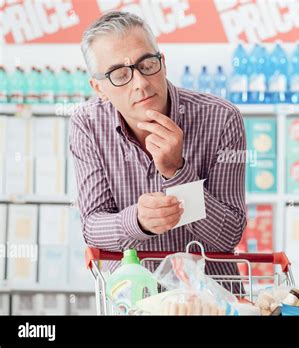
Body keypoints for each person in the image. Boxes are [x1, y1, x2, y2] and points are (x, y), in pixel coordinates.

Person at [70, 11, 247, 287]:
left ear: (162, 63)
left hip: (209, 299)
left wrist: (177, 172)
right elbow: (93, 227)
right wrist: (138, 222)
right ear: (98, 88)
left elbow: (228, 237)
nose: (140, 83)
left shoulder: (222, 118)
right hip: (133, 298)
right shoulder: (88, 125)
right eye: (119, 74)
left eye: (147, 64)